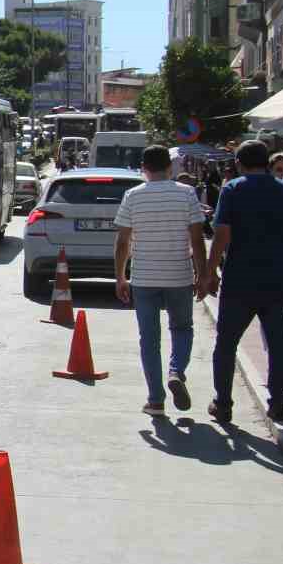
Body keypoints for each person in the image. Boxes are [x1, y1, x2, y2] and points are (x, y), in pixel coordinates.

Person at [203, 139, 283, 423]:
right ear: (267, 163)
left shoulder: (233, 189)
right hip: (278, 278)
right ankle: (279, 403)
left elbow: (221, 235)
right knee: (278, 342)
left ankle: (223, 404)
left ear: (238, 163)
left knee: (227, 342)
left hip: (240, 280)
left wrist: (210, 274)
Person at [114, 145, 208, 416]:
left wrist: (121, 276)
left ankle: (156, 400)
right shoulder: (186, 193)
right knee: (182, 328)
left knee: (149, 338)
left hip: (143, 278)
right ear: (170, 168)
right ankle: (176, 371)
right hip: (178, 276)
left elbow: (123, 241)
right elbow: (197, 239)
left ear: (143, 168)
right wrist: (202, 275)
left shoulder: (132, 196)